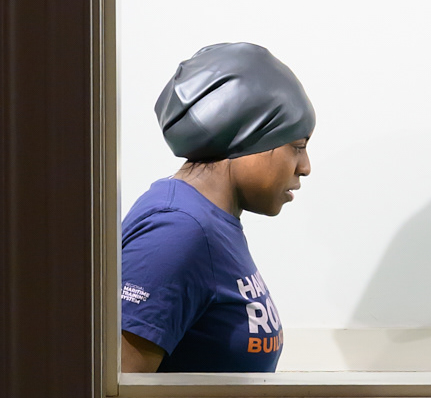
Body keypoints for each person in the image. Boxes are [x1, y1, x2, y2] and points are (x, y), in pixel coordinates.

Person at [119, 42, 314, 373]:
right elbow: (115, 389)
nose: (305, 167)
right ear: (246, 137)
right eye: (297, 146)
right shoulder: (177, 232)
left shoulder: (210, 222)